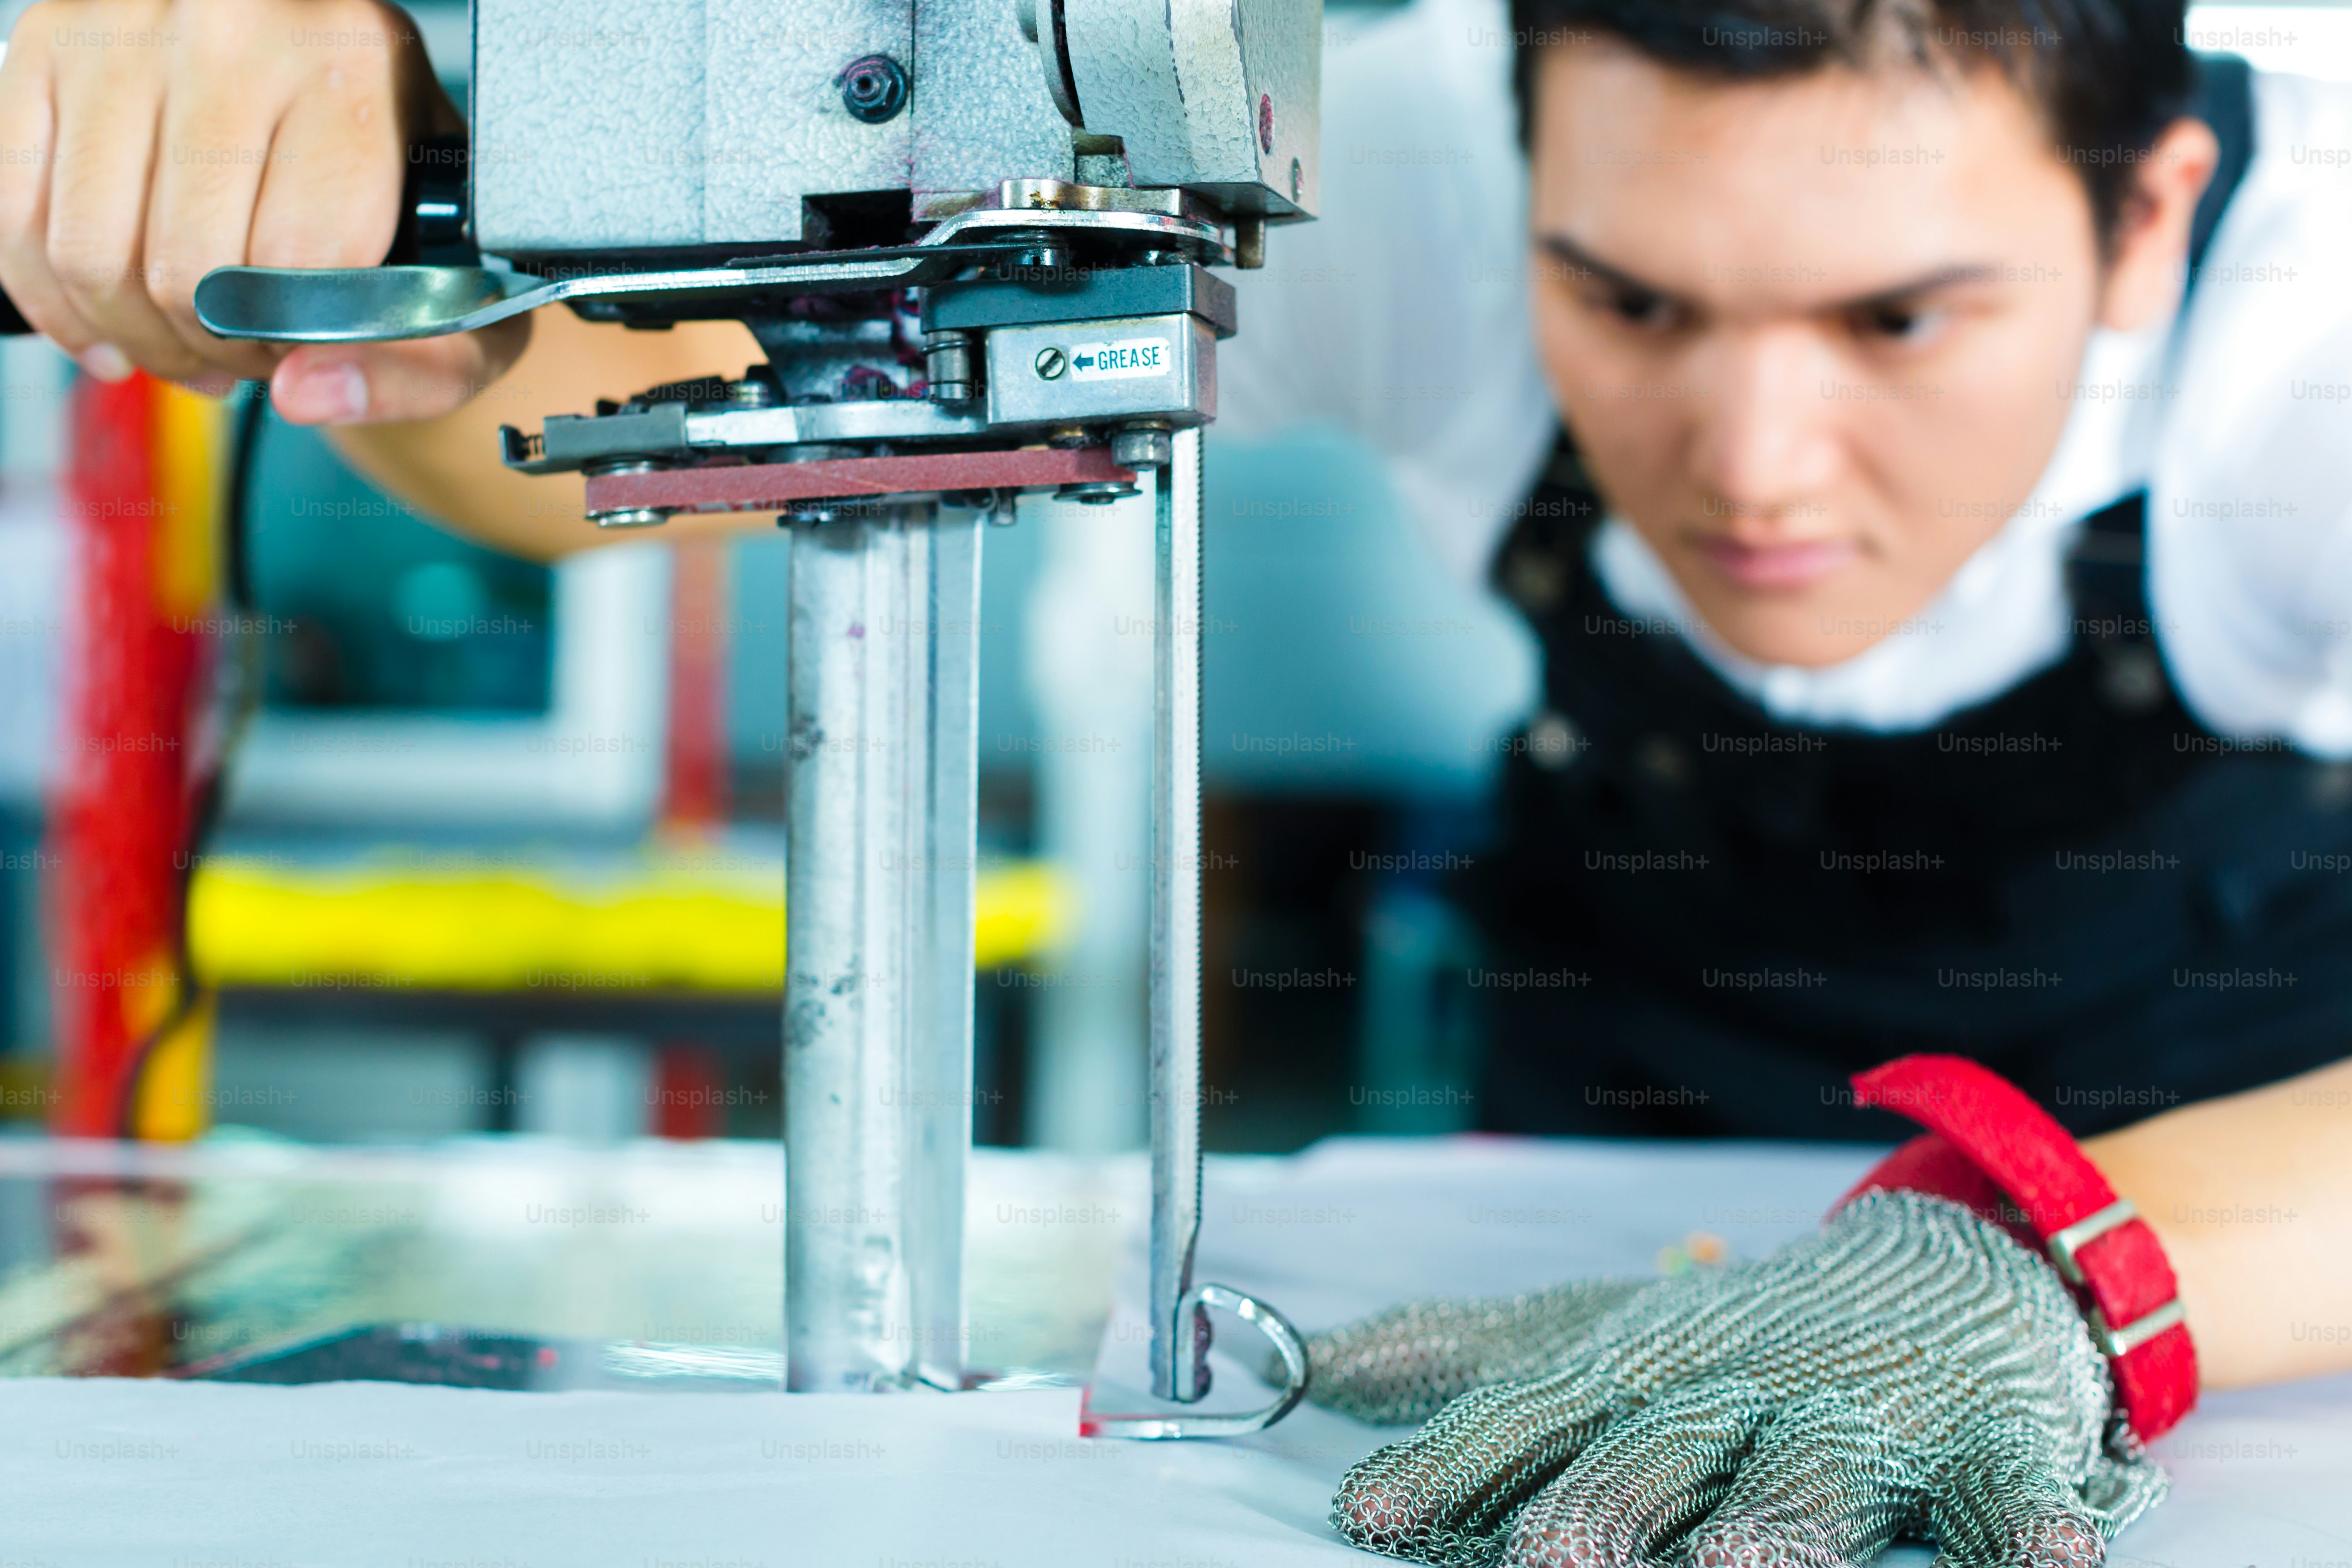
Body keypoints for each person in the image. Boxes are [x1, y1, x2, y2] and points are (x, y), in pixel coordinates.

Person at [4, 0, 2347, 1561]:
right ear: (1515, 161)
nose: (1750, 461)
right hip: (1602, 1171)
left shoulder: (2316, 334)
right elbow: (599, 419)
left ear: (2139, 219)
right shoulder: (1393, 155)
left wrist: (2056, 1265)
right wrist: (351, 197)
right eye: (1629, 305)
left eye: (1895, 322)